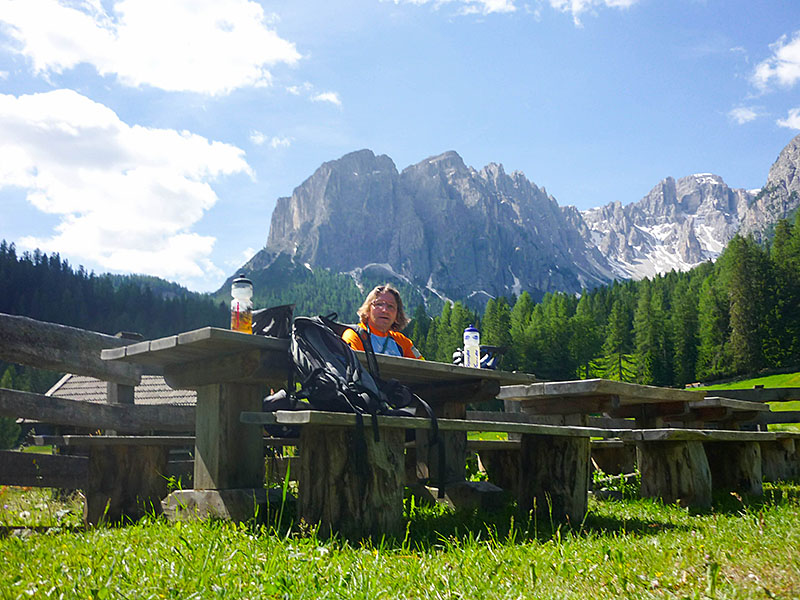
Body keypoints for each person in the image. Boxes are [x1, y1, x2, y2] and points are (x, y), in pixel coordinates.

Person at [342, 284, 424, 359]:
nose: (385, 310)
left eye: (390, 306)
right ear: (367, 310)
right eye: (379, 304)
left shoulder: (403, 342)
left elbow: (424, 368)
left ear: (397, 315)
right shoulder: (355, 335)